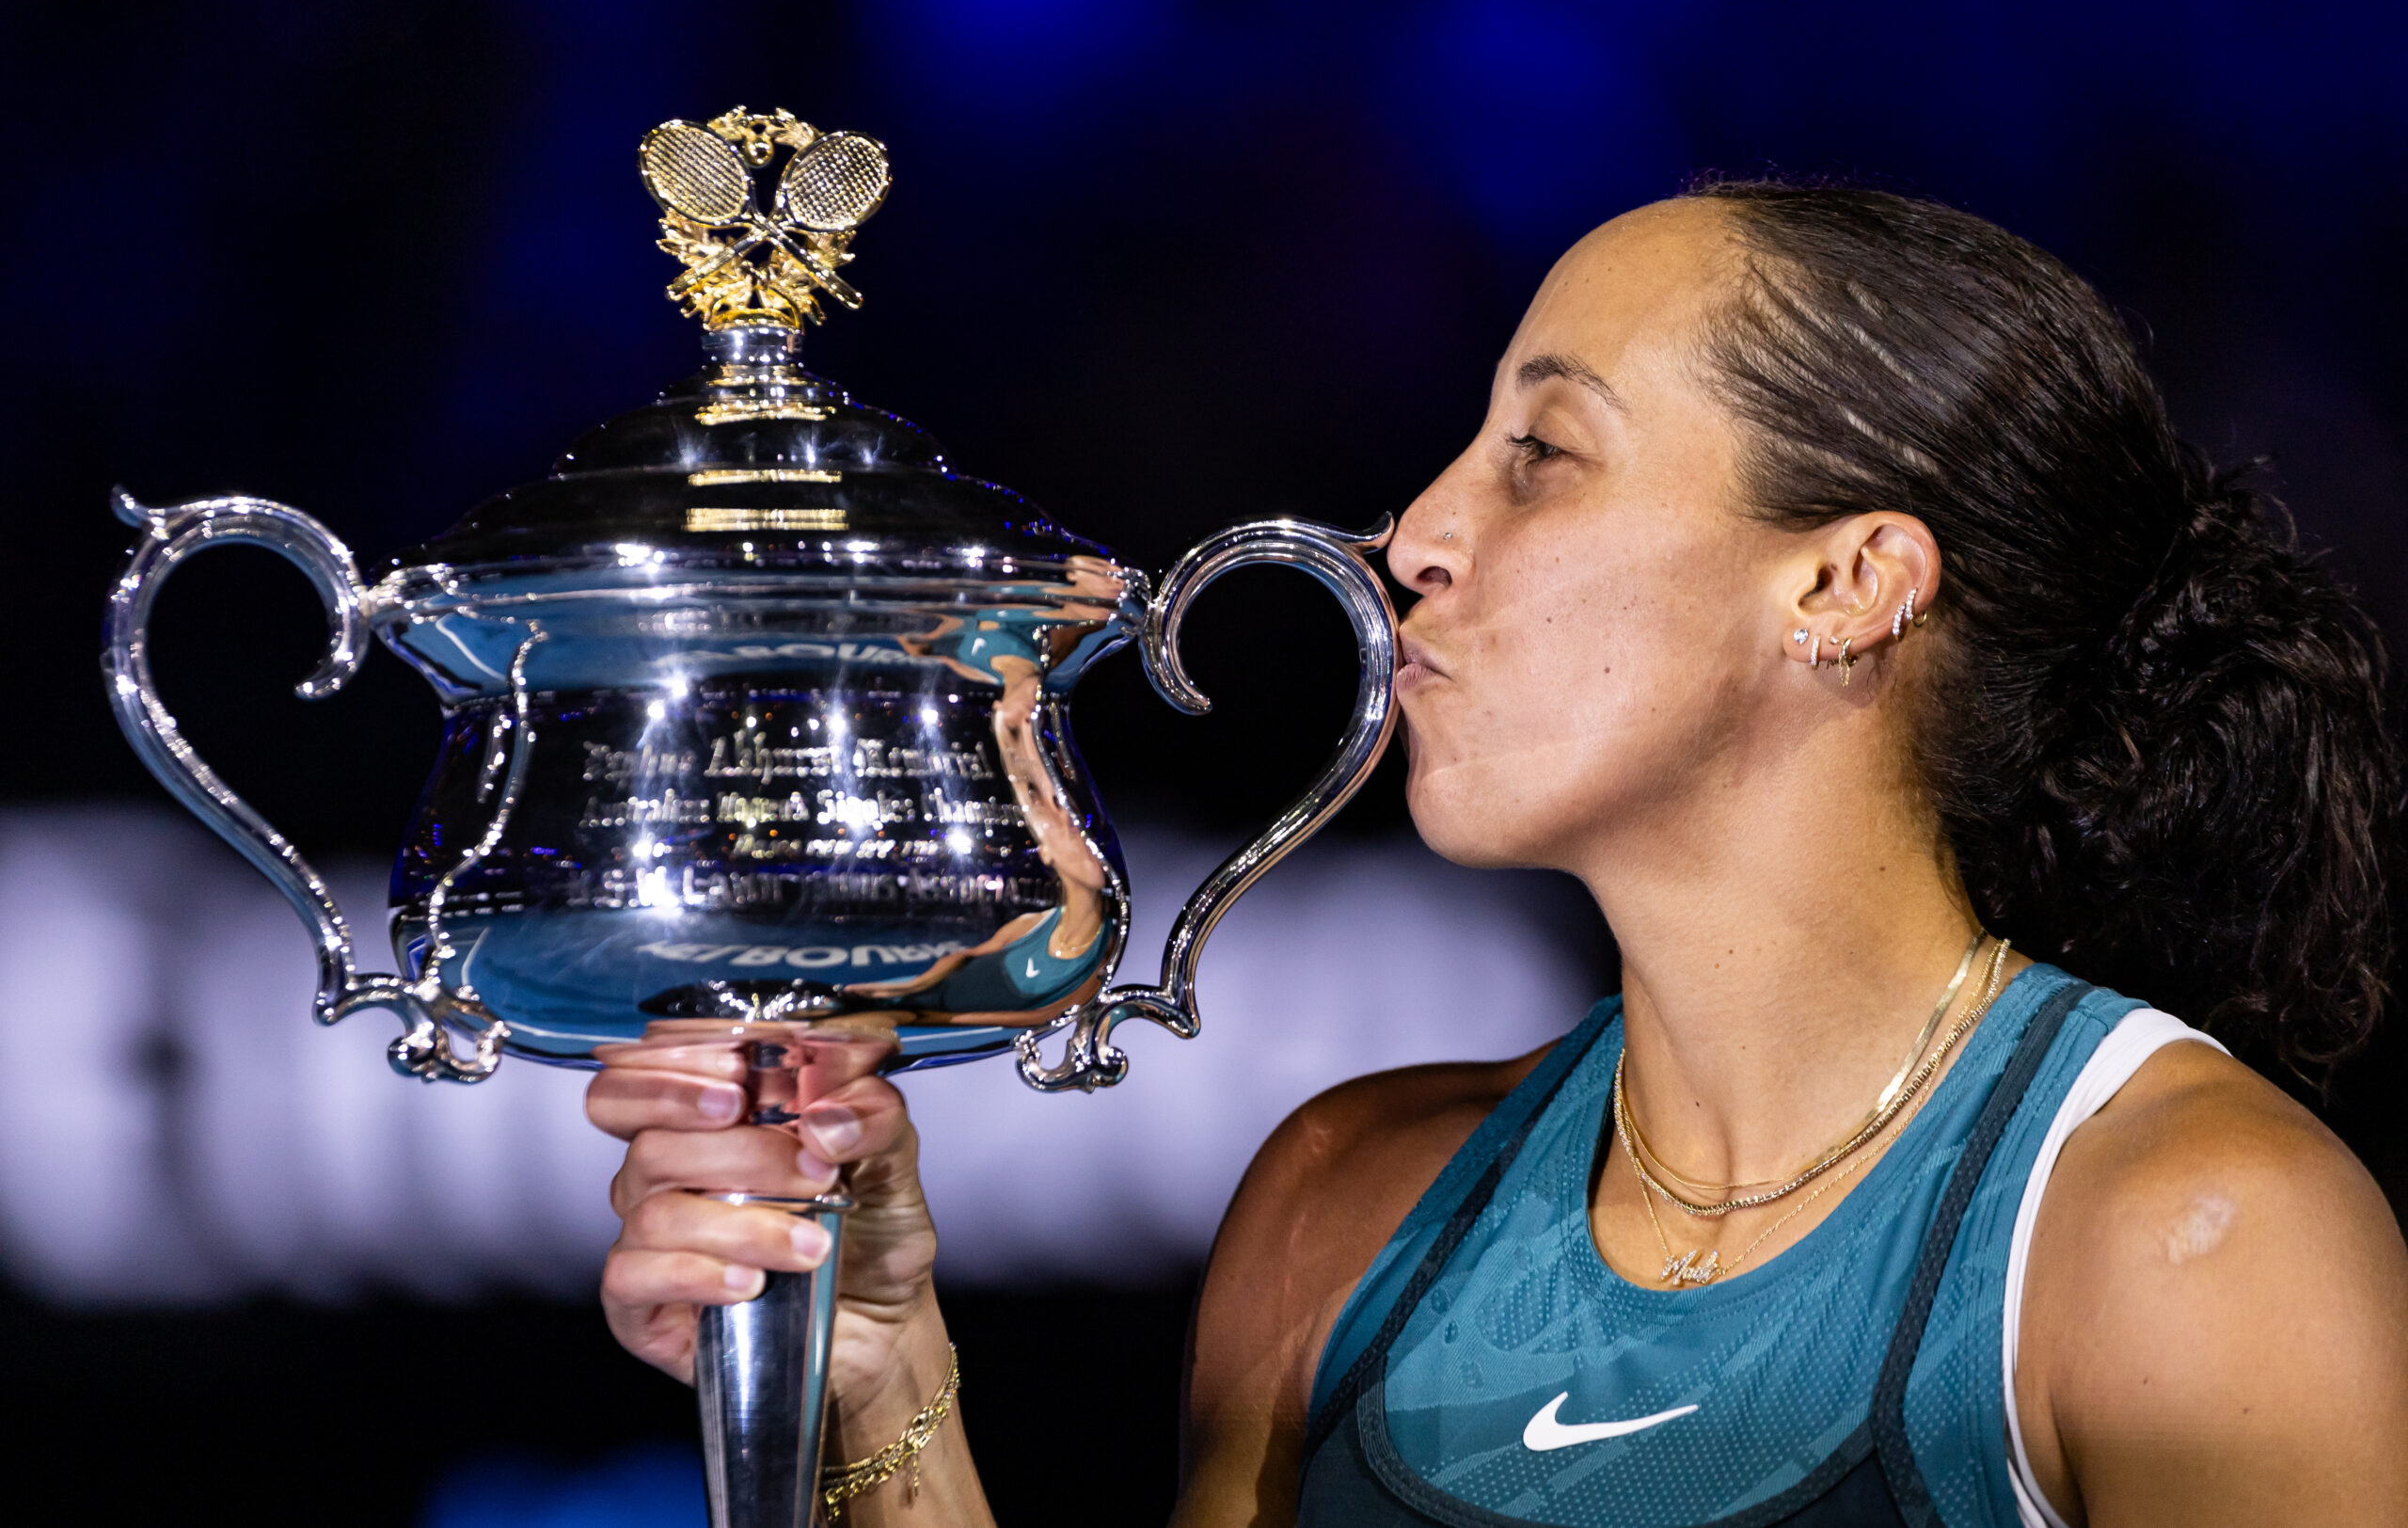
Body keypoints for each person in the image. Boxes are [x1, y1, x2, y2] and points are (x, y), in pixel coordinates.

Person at [584, 183, 2408, 1525]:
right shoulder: (1336, 1204)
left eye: (1539, 452)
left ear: (1845, 585)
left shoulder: (2185, 1241)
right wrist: (874, 1363)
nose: (1414, 532)